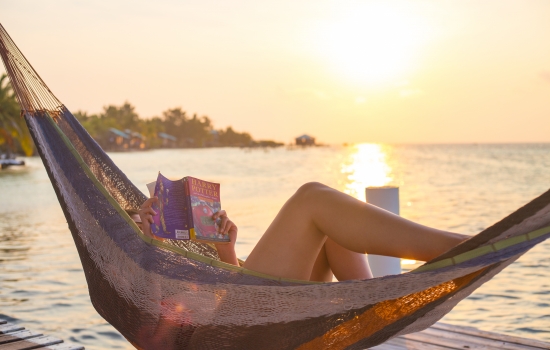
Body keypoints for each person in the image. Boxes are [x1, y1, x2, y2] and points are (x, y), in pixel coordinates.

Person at [138, 182, 469, 282]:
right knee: (311, 200)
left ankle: (368, 302)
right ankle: (459, 247)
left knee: (334, 229)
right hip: (235, 329)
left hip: (241, 307)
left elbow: (224, 297)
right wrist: (150, 243)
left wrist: (226, 250)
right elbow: (156, 327)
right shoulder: (142, 276)